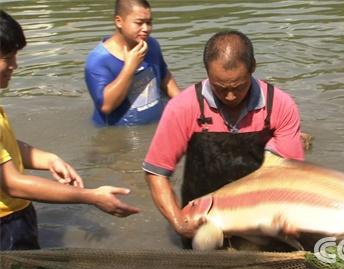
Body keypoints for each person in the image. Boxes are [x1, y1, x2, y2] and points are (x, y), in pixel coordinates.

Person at [143, 30, 304, 243]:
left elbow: (292, 174)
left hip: (262, 217)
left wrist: (289, 214)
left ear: (253, 67)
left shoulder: (280, 105)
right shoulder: (182, 106)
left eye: (238, 87)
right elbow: (156, 172)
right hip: (205, 220)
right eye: (220, 88)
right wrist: (178, 222)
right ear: (207, 73)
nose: (229, 96)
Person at [0, 10, 139, 251]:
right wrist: (91, 196)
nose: (15, 65)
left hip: (17, 215)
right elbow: (13, 183)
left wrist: (48, 159)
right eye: (8, 57)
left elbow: (6, 148)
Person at [84, 0, 180, 126]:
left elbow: (164, 77)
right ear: (119, 21)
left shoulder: (151, 45)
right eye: (139, 23)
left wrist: (182, 103)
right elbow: (106, 106)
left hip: (156, 127)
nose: (146, 29)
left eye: (149, 23)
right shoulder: (99, 60)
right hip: (118, 136)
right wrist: (130, 67)